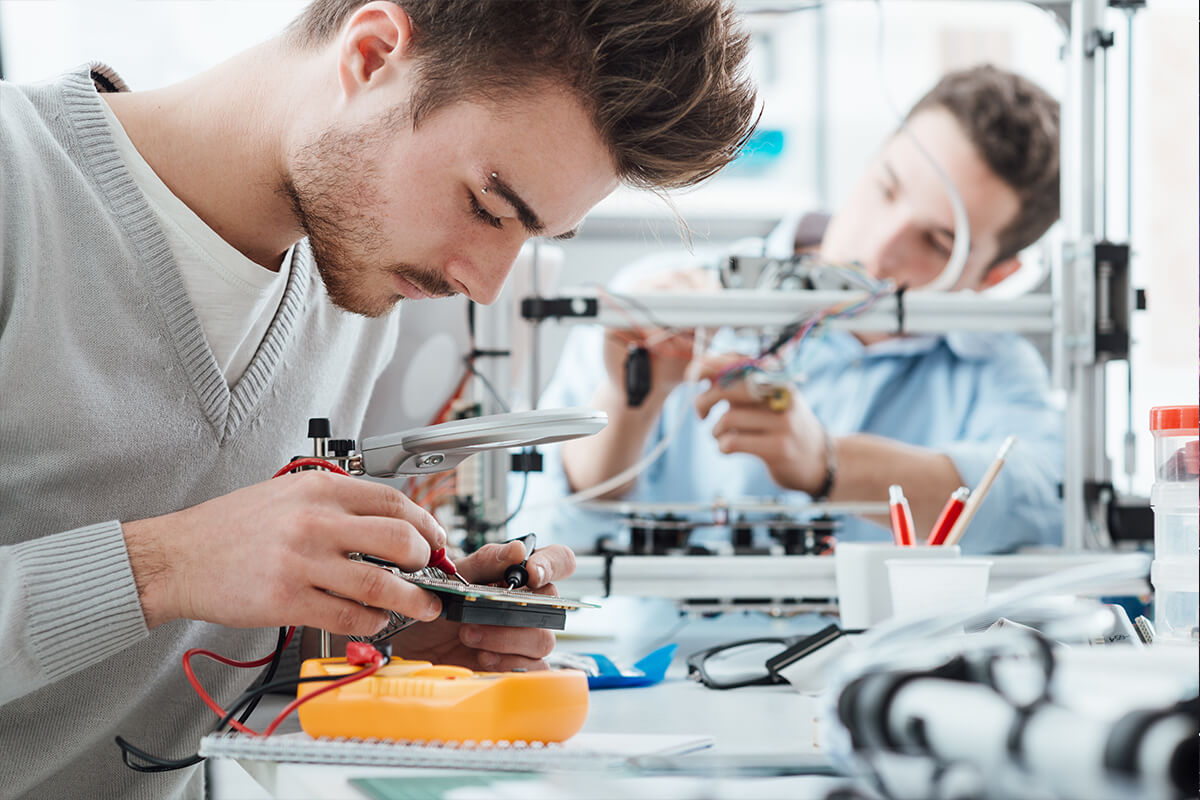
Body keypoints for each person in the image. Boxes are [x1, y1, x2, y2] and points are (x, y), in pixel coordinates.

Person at [0, 0, 758, 796]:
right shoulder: (19, 185)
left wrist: (389, 636)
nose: (485, 284)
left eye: (531, 239)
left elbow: (168, 681)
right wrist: (164, 564)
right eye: (488, 208)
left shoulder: (348, 288)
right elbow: (175, 579)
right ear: (371, 55)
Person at [514, 65, 1064, 555]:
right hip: (667, 666)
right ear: (869, 160)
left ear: (995, 276)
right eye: (887, 189)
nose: (877, 250)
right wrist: (632, 403)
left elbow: (1038, 506)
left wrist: (826, 462)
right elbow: (545, 531)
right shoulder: (661, 299)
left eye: (939, 242)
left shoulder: (996, 370)